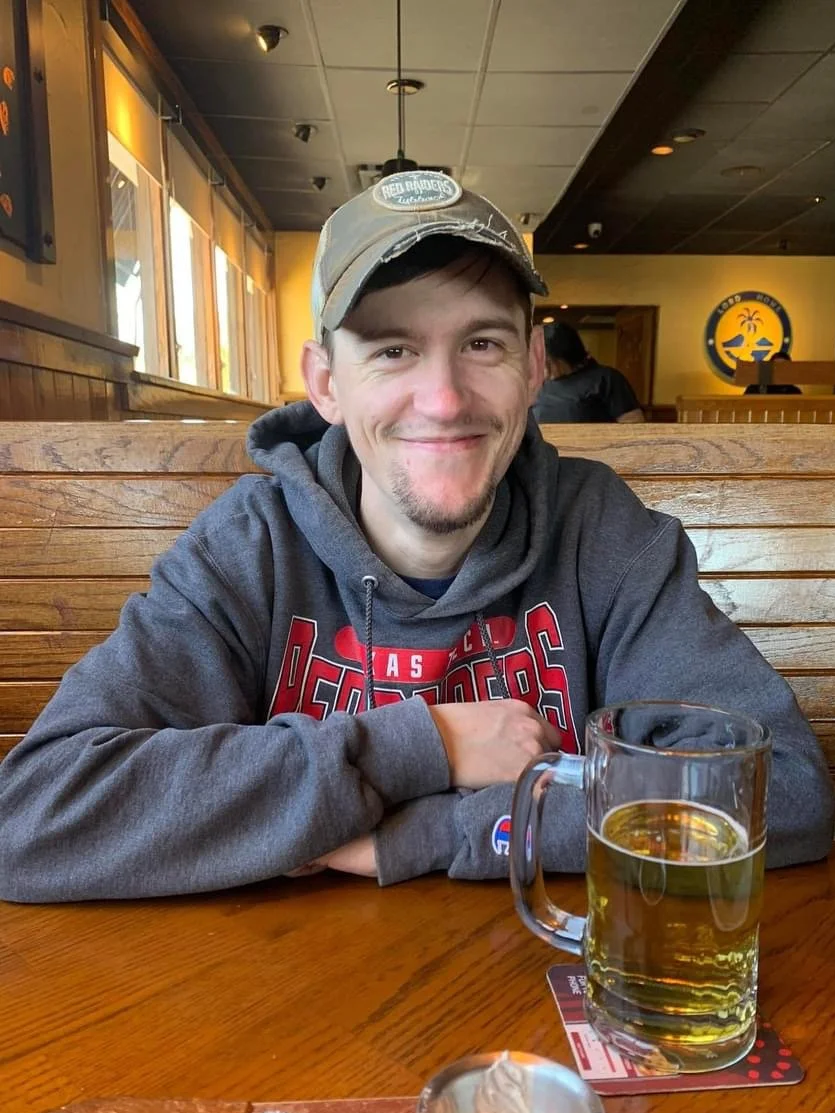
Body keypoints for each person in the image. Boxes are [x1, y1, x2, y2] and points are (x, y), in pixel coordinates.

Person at [0, 171, 831, 903]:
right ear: (325, 382)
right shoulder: (249, 547)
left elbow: (778, 793)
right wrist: (422, 743)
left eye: (481, 343)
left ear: (534, 367)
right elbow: (35, 816)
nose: (442, 398)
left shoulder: (599, 531)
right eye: (392, 348)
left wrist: (435, 833)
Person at [532, 321, 645, 423]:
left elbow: (633, 422)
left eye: (549, 362)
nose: (543, 370)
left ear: (566, 356)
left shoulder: (606, 379)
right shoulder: (535, 382)